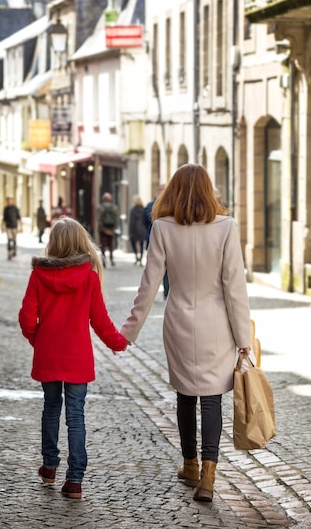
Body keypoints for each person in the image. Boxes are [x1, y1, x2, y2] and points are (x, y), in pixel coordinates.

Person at [120, 164, 251, 503]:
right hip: (216, 324)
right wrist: (244, 343)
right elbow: (234, 288)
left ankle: (190, 464)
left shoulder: (162, 227)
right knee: (211, 398)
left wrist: (128, 332)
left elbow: (148, 286)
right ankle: (208, 475)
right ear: (209, 190)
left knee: (185, 397)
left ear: (173, 191)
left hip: (177, 321)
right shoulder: (226, 227)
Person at [18, 217, 128, 499]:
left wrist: (37, 339)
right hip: (78, 357)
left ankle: (49, 467)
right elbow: (100, 320)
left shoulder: (38, 275)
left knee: (51, 409)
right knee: (76, 416)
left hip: (48, 355)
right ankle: (75, 480)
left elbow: (27, 316)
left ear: (53, 243)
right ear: (81, 243)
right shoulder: (88, 278)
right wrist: (118, 342)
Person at [143, 185, 169, 298]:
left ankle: (166, 291)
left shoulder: (171, 204)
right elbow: (145, 220)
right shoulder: (150, 205)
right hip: (153, 238)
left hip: (168, 241)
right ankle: (155, 292)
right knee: (155, 268)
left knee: (167, 269)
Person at [97, 192, 119, 267]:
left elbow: (99, 219)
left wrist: (104, 229)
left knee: (102, 245)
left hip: (103, 230)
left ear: (103, 199)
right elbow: (116, 219)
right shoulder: (114, 207)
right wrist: (113, 229)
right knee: (111, 245)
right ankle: (111, 258)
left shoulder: (100, 207)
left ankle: (103, 260)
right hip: (111, 229)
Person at [128, 195, 147, 266]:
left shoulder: (133, 210)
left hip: (135, 229)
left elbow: (131, 222)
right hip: (143, 229)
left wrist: (130, 232)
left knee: (133, 243)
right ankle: (141, 259)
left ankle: (136, 256)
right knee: (142, 244)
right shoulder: (144, 209)